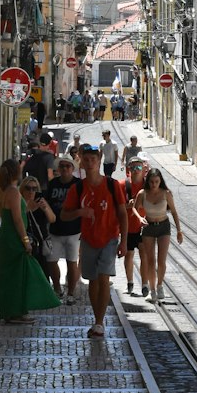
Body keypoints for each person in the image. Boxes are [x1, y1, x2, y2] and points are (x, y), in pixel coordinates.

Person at [66, 142, 127, 338]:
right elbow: (64, 216)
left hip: (109, 238)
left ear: (100, 161)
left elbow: (122, 213)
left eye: (94, 159)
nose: (90, 163)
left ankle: (100, 323)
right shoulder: (77, 189)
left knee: (103, 278)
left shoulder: (112, 185)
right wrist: (80, 212)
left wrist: (124, 241)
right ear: (81, 163)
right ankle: (97, 318)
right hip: (88, 240)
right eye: (86, 160)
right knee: (92, 281)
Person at [0, 159, 60, 323]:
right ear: (16, 172)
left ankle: (9, 312)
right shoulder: (14, 192)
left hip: (5, 237)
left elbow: (4, 216)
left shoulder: (1, 191)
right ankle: (17, 313)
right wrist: (26, 241)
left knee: (7, 276)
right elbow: (18, 220)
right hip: (14, 238)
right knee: (18, 276)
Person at [135, 167, 183, 303]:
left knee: (161, 260)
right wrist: (139, 217)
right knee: (150, 261)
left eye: (156, 182)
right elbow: (135, 207)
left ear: (160, 181)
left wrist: (179, 231)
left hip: (163, 226)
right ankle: (152, 290)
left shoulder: (166, 194)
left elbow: (174, 212)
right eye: (151, 182)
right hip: (148, 227)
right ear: (148, 182)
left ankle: (160, 285)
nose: (154, 185)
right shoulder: (142, 193)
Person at [44, 157, 83, 302]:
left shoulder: (79, 185)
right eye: (62, 166)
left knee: (72, 262)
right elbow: (47, 202)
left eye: (68, 166)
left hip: (74, 231)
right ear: (58, 169)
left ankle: (71, 293)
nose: (65, 168)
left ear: (73, 169)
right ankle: (57, 289)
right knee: (51, 260)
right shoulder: (53, 184)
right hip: (55, 229)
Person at [20, 176, 56, 282]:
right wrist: (30, 208)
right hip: (26, 243)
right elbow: (18, 219)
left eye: (34, 188)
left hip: (40, 244)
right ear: (23, 189)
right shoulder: (19, 202)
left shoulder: (40, 200)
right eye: (28, 188)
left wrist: (45, 209)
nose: (31, 191)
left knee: (43, 274)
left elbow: (52, 219)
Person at [123, 159, 148, 296]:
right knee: (129, 255)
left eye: (138, 167)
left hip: (144, 226)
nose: (135, 170)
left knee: (144, 254)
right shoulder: (123, 185)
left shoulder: (148, 185)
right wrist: (127, 205)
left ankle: (145, 285)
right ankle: (130, 283)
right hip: (128, 226)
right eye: (132, 167)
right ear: (128, 169)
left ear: (143, 169)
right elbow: (117, 207)